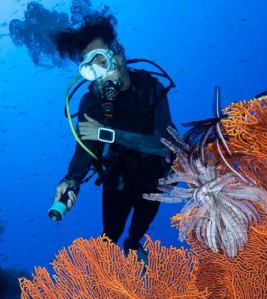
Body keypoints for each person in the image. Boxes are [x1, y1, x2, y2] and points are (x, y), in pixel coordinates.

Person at [50, 14, 175, 265]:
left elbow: (163, 144)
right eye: (90, 68)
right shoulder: (91, 102)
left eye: (101, 61)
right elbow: (84, 149)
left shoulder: (151, 88)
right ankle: (105, 280)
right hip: (116, 180)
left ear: (118, 55)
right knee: (109, 237)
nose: (100, 74)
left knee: (138, 230)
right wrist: (71, 180)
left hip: (154, 179)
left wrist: (106, 133)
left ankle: (134, 244)